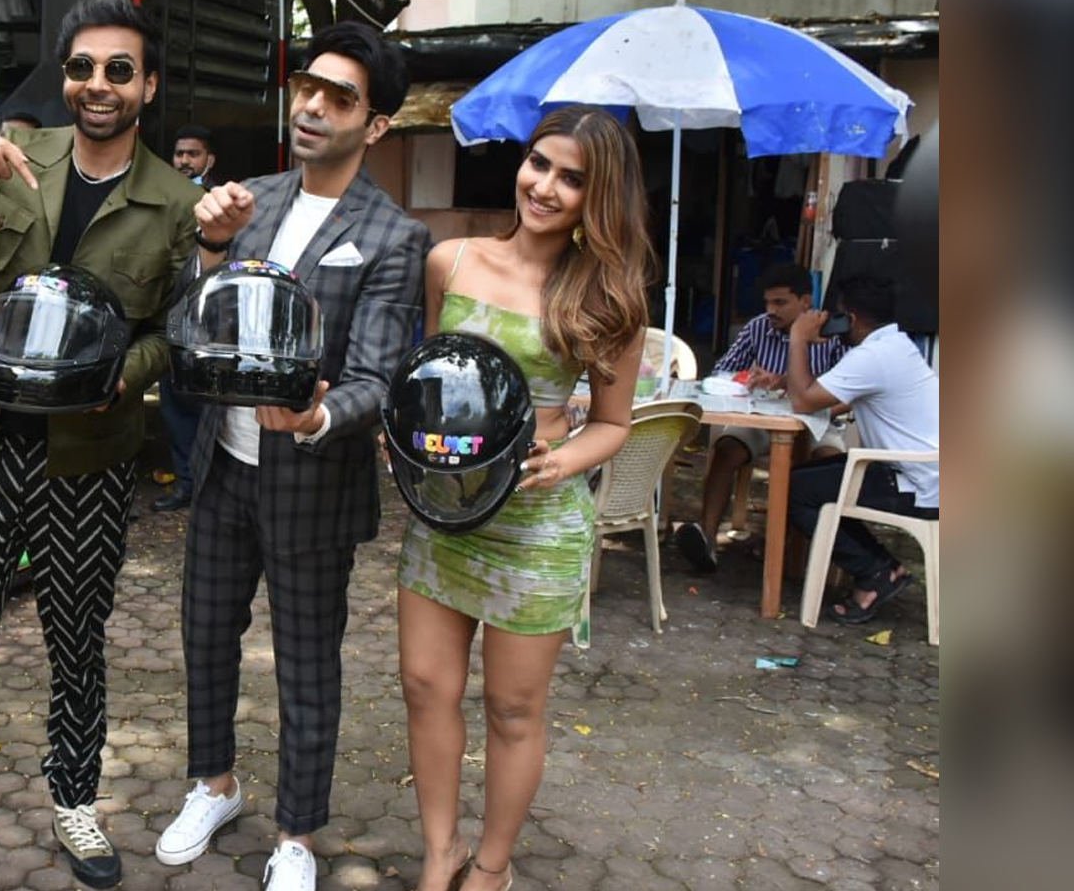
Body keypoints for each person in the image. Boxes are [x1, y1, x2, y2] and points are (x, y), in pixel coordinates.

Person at [0, 0, 203, 891]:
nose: (99, 85)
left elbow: (180, 330)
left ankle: (75, 801)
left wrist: (120, 374)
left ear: (149, 86)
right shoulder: (10, 159)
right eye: (84, 67)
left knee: (77, 637)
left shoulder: (174, 204)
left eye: (120, 70)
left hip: (90, 458)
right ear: (66, 78)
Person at [153, 25, 430, 891]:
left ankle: (299, 836)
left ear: (375, 125)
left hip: (312, 479)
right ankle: (215, 784)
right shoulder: (250, 200)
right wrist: (207, 250)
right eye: (308, 85)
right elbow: (186, 330)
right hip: (223, 467)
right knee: (205, 638)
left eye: (338, 97)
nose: (311, 105)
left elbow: (379, 378)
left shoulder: (392, 236)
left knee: (309, 662)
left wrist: (316, 416)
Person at [398, 106, 651, 891]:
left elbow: (614, 424)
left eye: (571, 178)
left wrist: (564, 460)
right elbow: (431, 376)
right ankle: (440, 853)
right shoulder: (451, 260)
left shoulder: (610, 296)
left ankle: (492, 868)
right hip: (445, 514)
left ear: (597, 197)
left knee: (512, 711)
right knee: (425, 686)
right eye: (539, 164)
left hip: (538, 526)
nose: (544, 186)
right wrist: (404, 435)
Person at [782, 275, 939, 624]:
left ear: (849, 319)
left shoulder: (873, 355)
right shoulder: (896, 344)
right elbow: (831, 402)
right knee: (807, 477)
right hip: (926, 472)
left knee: (794, 490)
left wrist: (798, 339)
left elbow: (804, 401)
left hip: (916, 482)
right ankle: (882, 567)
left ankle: (876, 573)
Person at [674, 262, 849, 573]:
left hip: (820, 422)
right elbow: (721, 373)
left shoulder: (831, 334)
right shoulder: (757, 328)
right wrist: (746, 378)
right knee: (727, 447)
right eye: (767, 302)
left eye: (780, 302)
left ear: (805, 302)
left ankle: (800, 553)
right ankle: (707, 537)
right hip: (765, 419)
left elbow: (847, 393)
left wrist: (794, 388)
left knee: (826, 464)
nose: (771, 310)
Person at [150, 122, 220, 512]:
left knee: (208, 408)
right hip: (171, 318)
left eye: (193, 154)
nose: (184, 161)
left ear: (210, 160)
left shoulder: (225, 202)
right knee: (174, 406)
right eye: (179, 154)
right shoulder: (162, 200)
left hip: (211, 322)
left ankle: (210, 484)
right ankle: (186, 482)